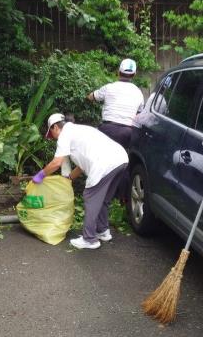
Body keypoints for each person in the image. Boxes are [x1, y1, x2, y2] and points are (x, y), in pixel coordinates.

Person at [32, 113, 129, 249]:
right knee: (104, 199)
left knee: (90, 196)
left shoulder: (64, 135)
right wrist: (69, 178)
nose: (52, 137)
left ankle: (89, 239)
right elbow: (82, 165)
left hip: (105, 164)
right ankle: (103, 231)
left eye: (51, 133)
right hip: (121, 158)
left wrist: (40, 175)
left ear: (55, 127)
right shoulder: (79, 130)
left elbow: (57, 163)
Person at [86, 58, 144, 204]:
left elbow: (92, 96)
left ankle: (99, 194)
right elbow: (139, 113)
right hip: (127, 132)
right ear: (134, 74)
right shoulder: (138, 92)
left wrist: (89, 97)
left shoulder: (109, 87)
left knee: (101, 162)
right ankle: (123, 198)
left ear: (118, 72)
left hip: (107, 130)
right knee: (123, 163)